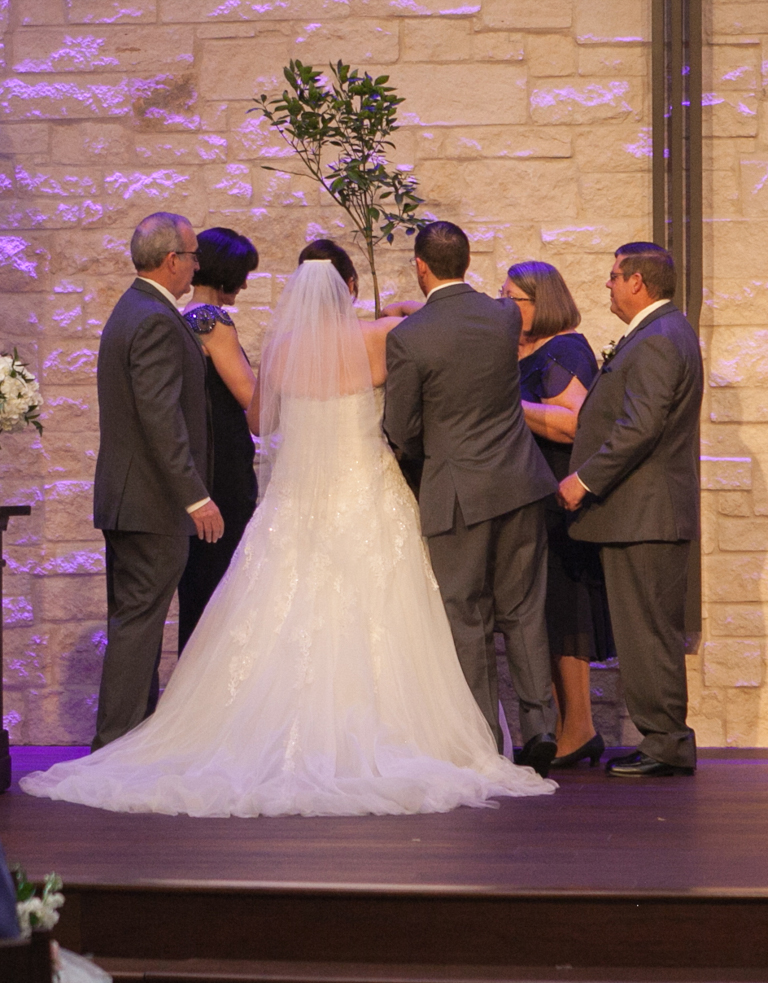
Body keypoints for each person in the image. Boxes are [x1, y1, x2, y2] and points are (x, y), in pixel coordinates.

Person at [20, 242, 556, 816]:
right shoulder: (380, 337)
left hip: (296, 496)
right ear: (350, 288)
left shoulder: (282, 347)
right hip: (367, 488)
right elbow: (415, 384)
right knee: (391, 608)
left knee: (276, 605)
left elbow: (259, 418)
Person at [384, 222, 560, 777]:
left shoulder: (409, 337)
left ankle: (485, 738)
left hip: (458, 493)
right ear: (466, 261)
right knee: (524, 611)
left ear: (420, 266)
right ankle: (540, 727)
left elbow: (401, 427)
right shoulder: (504, 315)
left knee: (467, 616)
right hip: (520, 482)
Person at [558, 242, 703, 778]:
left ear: (637, 282)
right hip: (642, 514)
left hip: (646, 515)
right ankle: (664, 740)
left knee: (648, 634)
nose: (608, 284)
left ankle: (666, 744)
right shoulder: (662, 332)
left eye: (614, 276)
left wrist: (584, 479)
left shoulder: (659, 338)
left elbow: (640, 426)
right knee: (646, 632)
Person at [89, 212, 224, 752]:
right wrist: (195, 496)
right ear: (172, 260)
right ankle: (114, 747)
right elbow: (160, 418)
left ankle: (124, 745)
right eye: (192, 255)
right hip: (151, 503)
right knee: (138, 625)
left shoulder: (134, 309)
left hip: (132, 500)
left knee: (133, 623)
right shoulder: (154, 320)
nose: (196, 264)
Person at [503, 261, 610, 769]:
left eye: (514, 299)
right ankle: (561, 728)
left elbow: (573, 424)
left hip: (559, 495)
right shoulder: (528, 350)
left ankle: (580, 728)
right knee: (542, 614)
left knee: (566, 613)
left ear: (540, 302)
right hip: (533, 496)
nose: (506, 307)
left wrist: (507, 405)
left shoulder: (564, 350)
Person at [177, 227, 259, 654]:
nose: (244, 285)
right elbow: (250, 398)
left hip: (202, 462)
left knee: (199, 581)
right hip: (223, 464)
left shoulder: (184, 317)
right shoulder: (212, 320)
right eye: (242, 274)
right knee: (218, 581)